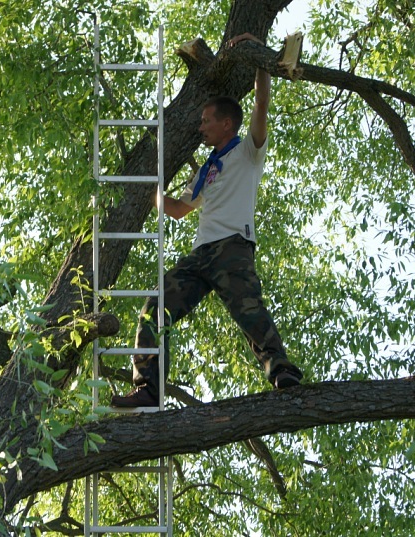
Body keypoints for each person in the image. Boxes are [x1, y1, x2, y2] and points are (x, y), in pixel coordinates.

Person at [111, 33, 303, 407]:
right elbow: (179, 209)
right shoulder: (206, 171)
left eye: (205, 121)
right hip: (200, 255)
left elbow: (262, 102)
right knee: (155, 306)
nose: (199, 127)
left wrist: (260, 57)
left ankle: (281, 370)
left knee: (250, 311)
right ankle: (149, 388)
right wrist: (147, 191)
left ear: (227, 123)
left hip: (233, 245)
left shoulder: (248, 151)